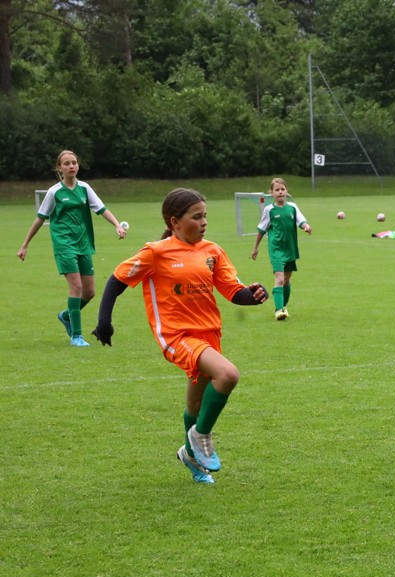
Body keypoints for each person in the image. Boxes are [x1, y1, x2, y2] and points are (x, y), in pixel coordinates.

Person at [91, 188, 269, 485]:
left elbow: (233, 291)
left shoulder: (212, 251)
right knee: (228, 374)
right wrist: (104, 321)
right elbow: (117, 279)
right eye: (196, 217)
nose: (204, 223)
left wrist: (253, 296)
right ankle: (200, 437)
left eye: (205, 216)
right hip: (177, 336)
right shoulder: (156, 252)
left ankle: (190, 456)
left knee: (195, 406)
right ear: (175, 222)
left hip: (208, 334)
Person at [17, 150, 127, 347]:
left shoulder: (84, 188)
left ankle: (66, 315)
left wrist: (117, 225)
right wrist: (25, 245)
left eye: (74, 162)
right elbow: (40, 219)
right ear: (60, 168)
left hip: (83, 244)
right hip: (63, 244)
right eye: (66, 163)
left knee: (90, 292)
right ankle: (76, 336)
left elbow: (101, 209)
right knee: (76, 286)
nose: (71, 166)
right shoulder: (54, 192)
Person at [250, 177, 312, 320]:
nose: (280, 192)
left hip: (290, 248)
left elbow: (301, 221)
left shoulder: (292, 207)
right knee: (279, 279)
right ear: (271, 193)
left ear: (286, 191)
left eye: (282, 189)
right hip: (276, 249)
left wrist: (306, 227)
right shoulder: (269, 210)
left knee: (287, 280)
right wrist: (255, 248)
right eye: (277, 190)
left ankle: (283, 306)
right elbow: (261, 230)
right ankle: (278, 310)